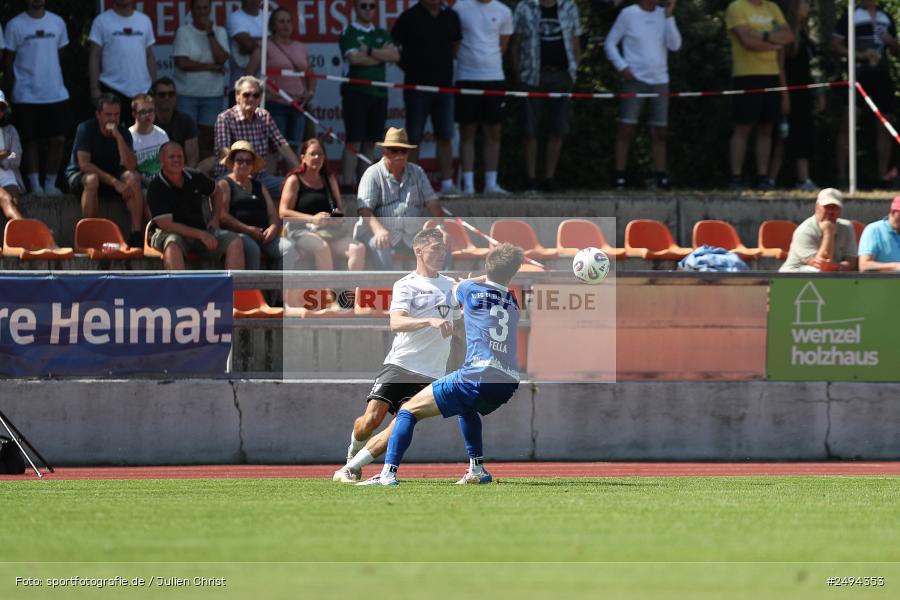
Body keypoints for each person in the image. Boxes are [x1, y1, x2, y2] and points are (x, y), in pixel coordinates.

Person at [357, 242, 525, 486]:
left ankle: (387, 474)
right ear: (513, 273)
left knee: (407, 411)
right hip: (507, 381)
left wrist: (463, 283)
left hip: (476, 375)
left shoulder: (469, 288)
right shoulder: (513, 302)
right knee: (466, 407)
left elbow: (454, 290)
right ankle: (476, 469)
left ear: (486, 266)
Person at [333, 227, 460, 483]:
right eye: (436, 249)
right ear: (419, 251)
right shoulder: (406, 284)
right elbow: (396, 322)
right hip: (400, 364)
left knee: (397, 427)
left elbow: (460, 322)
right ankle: (352, 455)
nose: (441, 254)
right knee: (370, 421)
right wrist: (430, 322)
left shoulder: (451, 285)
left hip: (431, 372)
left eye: (444, 250)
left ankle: (349, 470)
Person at [604, 0, 681, 191]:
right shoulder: (628, 14)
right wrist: (622, 67)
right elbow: (610, 43)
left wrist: (669, 16)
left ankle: (660, 176)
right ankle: (619, 175)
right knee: (627, 128)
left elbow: (675, 45)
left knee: (659, 132)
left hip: (660, 80)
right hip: (635, 80)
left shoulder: (663, 15)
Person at [511, 0, 583, 193]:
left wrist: (573, 71)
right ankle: (530, 179)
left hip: (561, 76)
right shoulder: (524, 7)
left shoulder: (569, 7)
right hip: (532, 76)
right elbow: (515, 44)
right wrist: (519, 75)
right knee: (529, 129)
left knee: (557, 128)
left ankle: (549, 178)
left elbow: (576, 43)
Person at [391, 0, 462, 194]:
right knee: (413, 137)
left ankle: (447, 184)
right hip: (416, 88)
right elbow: (393, 47)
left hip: (444, 87)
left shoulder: (451, 16)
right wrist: (411, 67)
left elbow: (456, 44)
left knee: (445, 136)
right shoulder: (409, 16)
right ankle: (411, 185)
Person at [3, 0, 71, 196]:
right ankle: (35, 186)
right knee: (30, 140)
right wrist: (16, 86)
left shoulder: (57, 22)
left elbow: (60, 54)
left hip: (55, 92)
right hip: (25, 94)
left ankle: (50, 184)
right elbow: (8, 62)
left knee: (58, 139)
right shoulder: (15, 25)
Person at [725, 0, 793, 190]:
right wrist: (773, 43)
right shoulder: (737, 7)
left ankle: (762, 176)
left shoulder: (772, 7)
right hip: (746, 75)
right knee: (743, 127)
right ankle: (736, 177)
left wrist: (762, 35)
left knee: (766, 128)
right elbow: (747, 41)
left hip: (772, 75)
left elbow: (788, 36)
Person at [355, 127, 446, 270]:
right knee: (380, 243)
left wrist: (441, 227)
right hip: (377, 231)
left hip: (412, 234)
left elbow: (432, 201)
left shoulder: (417, 172)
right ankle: (387, 288)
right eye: (394, 150)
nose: (399, 154)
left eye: (403, 150)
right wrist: (378, 230)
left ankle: (445, 289)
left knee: (441, 242)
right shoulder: (372, 173)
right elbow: (364, 209)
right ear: (385, 152)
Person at [832, 0, 899, 188]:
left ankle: (883, 177)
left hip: (882, 74)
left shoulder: (885, 16)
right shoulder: (850, 14)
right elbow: (835, 44)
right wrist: (859, 55)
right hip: (858, 74)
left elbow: (895, 51)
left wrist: (891, 42)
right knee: (848, 121)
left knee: (885, 124)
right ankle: (842, 176)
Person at [147, 141, 244, 270]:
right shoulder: (156, 187)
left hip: (201, 232)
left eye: (179, 156)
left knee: (235, 241)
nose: (176, 160)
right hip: (171, 233)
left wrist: (215, 218)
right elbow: (167, 225)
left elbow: (217, 191)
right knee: (172, 243)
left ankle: (235, 289)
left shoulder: (195, 176)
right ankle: (178, 288)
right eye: (172, 157)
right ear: (162, 161)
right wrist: (201, 235)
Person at [64, 94, 144, 247]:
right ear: (98, 115)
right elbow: (84, 165)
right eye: (108, 115)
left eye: (116, 115)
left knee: (132, 178)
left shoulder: (123, 132)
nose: (112, 119)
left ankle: (136, 234)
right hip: (81, 177)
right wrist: (115, 183)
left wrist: (118, 137)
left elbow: (131, 166)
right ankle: (89, 233)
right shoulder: (86, 129)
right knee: (92, 179)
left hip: (111, 176)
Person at [453, 0, 514, 195]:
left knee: (494, 131)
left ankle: (491, 184)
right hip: (467, 76)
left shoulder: (504, 11)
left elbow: (502, 46)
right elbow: (455, 42)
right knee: (467, 130)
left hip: (494, 77)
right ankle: (468, 185)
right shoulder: (460, 8)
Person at [340, 0, 400, 190]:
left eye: (371, 6)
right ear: (355, 8)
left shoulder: (381, 33)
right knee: (354, 141)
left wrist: (370, 51)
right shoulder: (349, 32)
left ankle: (365, 186)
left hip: (379, 93)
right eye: (363, 6)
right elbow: (354, 59)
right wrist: (379, 56)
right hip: (356, 92)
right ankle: (348, 185)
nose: (368, 9)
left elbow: (395, 56)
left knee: (370, 142)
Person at [279, 138, 365, 270]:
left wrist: (335, 219)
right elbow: (283, 212)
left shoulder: (329, 179)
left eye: (320, 154)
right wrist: (313, 219)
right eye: (312, 154)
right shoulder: (294, 180)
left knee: (358, 249)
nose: (317, 157)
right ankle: (328, 290)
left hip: (328, 231)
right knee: (322, 247)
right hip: (300, 230)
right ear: (303, 157)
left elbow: (339, 210)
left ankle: (351, 291)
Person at [765, 0, 822, 191]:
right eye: (804, 3)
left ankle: (803, 178)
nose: (807, 6)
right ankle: (770, 178)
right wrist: (785, 95)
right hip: (789, 92)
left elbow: (812, 68)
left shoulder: (805, 35)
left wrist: (817, 93)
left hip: (804, 93)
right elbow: (780, 67)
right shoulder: (786, 36)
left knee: (803, 134)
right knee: (782, 136)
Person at [214, 75, 299, 198]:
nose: (251, 99)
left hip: (260, 178)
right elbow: (224, 151)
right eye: (246, 95)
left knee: (294, 186)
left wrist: (301, 173)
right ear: (237, 97)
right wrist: (241, 174)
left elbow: (283, 146)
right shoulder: (225, 118)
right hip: (230, 177)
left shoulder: (264, 116)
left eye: (256, 95)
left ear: (260, 99)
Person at [245, 7, 316, 150]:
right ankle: (270, 174)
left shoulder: (300, 47)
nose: (286, 25)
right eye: (281, 21)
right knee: (273, 148)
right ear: (273, 25)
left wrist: (311, 91)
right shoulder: (265, 46)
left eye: (289, 21)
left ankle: (294, 173)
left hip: (298, 105)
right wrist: (264, 91)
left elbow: (310, 72)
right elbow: (249, 75)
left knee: (296, 148)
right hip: (275, 105)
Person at [216, 140, 289, 270]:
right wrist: (248, 229)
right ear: (232, 163)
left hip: (264, 235)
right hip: (238, 234)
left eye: (248, 161)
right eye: (239, 161)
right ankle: (252, 290)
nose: (244, 164)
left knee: (289, 249)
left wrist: (272, 228)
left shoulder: (259, 186)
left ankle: (278, 289)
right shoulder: (225, 184)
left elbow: (272, 213)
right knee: (253, 249)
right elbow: (223, 216)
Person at [172, 0, 229, 161]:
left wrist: (210, 33)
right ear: (191, 10)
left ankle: (205, 177)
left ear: (210, 9)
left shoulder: (219, 32)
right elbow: (182, 62)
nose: (202, 11)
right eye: (199, 8)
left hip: (212, 95)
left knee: (208, 141)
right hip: (186, 94)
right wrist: (211, 66)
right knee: (186, 139)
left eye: (206, 8)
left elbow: (222, 59)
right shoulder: (184, 31)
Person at [88, 0, 157, 125]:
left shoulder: (144, 20)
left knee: (142, 137)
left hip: (142, 91)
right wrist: (94, 88)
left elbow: (149, 56)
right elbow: (94, 55)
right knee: (111, 136)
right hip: (112, 89)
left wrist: (153, 86)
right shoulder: (101, 21)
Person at [780, 188, 858, 272]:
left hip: (830, 275)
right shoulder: (804, 231)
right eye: (827, 207)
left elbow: (851, 261)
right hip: (793, 275)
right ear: (817, 207)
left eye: (835, 207)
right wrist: (828, 232)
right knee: (816, 271)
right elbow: (820, 265)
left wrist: (837, 267)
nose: (831, 211)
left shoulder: (847, 227)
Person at [151, 77, 201, 169]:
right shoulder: (148, 123)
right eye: (162, 95)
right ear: (153, 98)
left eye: (171, 94)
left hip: (182, 170)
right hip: (155, 170)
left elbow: (192, 159)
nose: (167, 98)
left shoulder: (186, 121)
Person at [129, 94, 169, 186]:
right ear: (134, 114)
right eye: (143, 112)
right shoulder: (128, 136)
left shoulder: (162, 134)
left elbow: (167, 163)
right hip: (140, 184)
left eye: (150, 110)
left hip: (162, 182)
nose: (147, 115)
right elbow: (131, 169)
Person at [226, 0, 264, 98]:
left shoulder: (268, 16)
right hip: (241, 90)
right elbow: (248, 45)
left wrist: (258, 43)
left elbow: (279, 43)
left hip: (266, 91)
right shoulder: (235, 18)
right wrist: (268, 42)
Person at [0, 92, 25, 220]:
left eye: (1, 108)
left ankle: (23, 236)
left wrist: (5, 159)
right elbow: (10, 153)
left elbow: (15, 155)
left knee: (14, 202)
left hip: (7, 173)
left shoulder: (10, 131)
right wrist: (5, 153)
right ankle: (30, 235)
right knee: (6, 199)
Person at [858, 196, 900, 271]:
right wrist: (895, 266)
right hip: (881, 282)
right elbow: (864, 265)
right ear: (894, 212)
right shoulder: (873, 230)